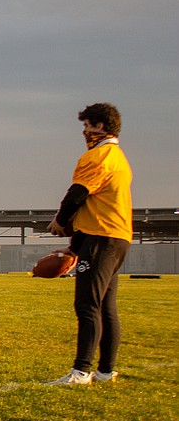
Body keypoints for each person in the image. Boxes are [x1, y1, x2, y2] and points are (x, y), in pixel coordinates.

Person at [46, 103, 133, 385]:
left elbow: (78, 194)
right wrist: (76, 245)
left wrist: (60, 220)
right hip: (115, 236)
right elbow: (96, 205)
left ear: (102, 126)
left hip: (101, 237)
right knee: (106, 305)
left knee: (87, 304)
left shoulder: (99, 155)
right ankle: (106, 371)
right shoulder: (118, 156)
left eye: (88, 125)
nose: (85, 131)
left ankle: (81, 371)